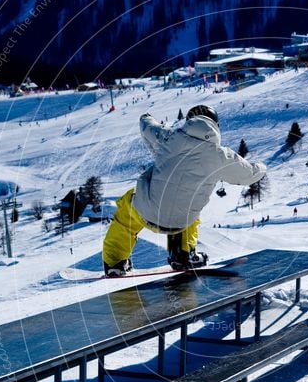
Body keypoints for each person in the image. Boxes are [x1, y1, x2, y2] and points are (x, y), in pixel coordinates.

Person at [102, 105, 266, 275]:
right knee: (189, 202)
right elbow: (250, 175)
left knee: (127, 209)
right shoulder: (220, 156)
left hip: (145, 214)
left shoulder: (168, 138)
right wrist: (262, 167)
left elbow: (147, 127)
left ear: (189, 121)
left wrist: (146, 115)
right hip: (182, 223)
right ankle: (183, 255)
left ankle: (115, 262)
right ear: (215, 125)